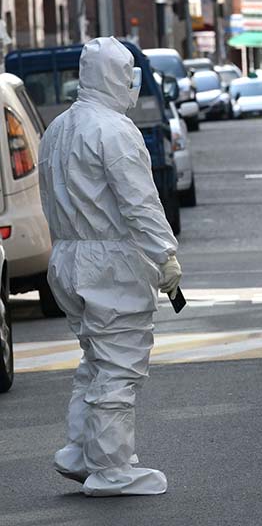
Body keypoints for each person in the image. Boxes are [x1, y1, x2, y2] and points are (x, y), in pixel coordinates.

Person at [40, 37, 182, 496]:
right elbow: (139, 202)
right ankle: (112, 468)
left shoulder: (57, 128)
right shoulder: (115, 131)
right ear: (118, 78)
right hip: (110, 261)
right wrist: (164, 254)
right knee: (120, 365)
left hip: (66, 256)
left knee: (95, 360)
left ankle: (80, 450)